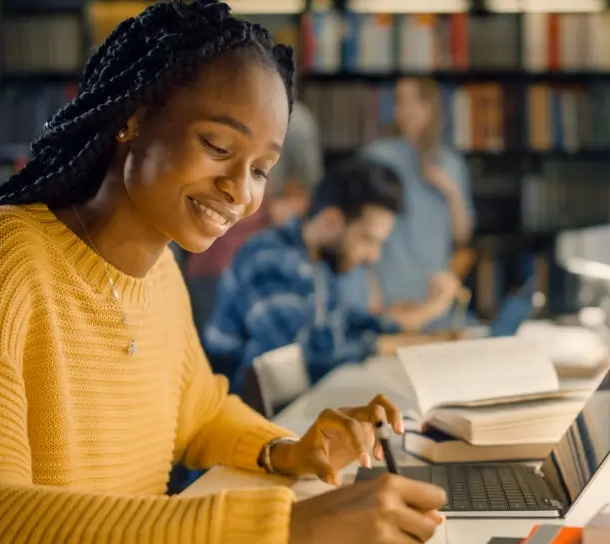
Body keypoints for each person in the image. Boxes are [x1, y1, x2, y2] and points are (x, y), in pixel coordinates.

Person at [0, 3, 446, 544]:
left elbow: (197, 413)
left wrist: (286, 451)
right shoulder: (4, 251)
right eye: (219, 147)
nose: (241, 192)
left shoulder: (163, 272)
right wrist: (281, 529)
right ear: (133, 119)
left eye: (261, 169)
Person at [202, 158, 461, 389]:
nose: (374, 256)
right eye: (368, 240)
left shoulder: (315, 263)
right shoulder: (270, 260)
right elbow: (299, 358)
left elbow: (341, 323)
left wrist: (418, 322)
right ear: (331, 221)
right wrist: (396, 343)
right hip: (240, 418)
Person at [337, 77, 475, 326]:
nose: (403, 110)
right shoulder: (378, 156)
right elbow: (356, 227)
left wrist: (451, 193)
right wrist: (368, 283)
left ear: (430, 107)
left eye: (413, 101)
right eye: (399, 102)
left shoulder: (451, 164)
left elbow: (462, 235)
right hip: (391, 290)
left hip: (435, 292)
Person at [183, 93, 322, 330]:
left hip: (241, 262)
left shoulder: (295, 123)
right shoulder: (294, 121)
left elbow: (306, 197)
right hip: (215, 263)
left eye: (260, 169)